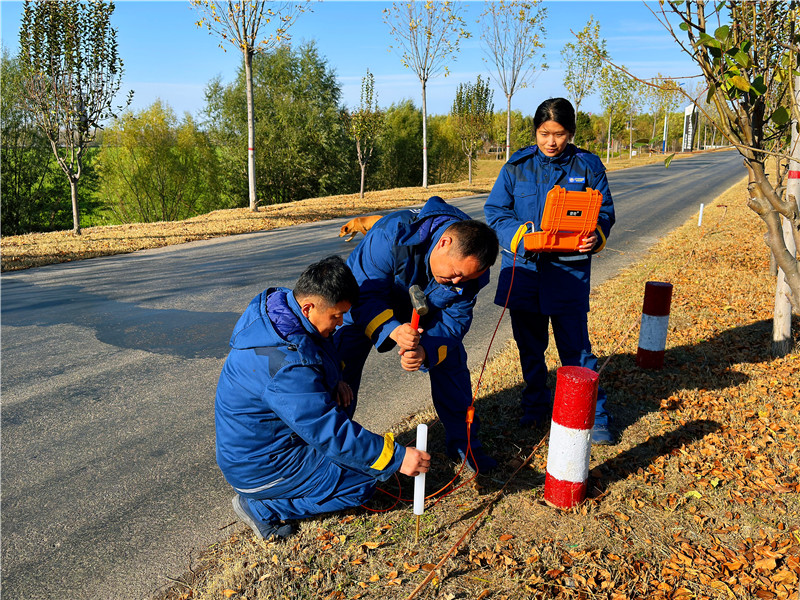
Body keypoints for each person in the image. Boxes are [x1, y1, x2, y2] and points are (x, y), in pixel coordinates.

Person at [215, 256, 431, 540]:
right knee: (363, 482)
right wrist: (397, 457)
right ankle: (262, 506)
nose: (340, 323)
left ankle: (304, 478)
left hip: (268, 444)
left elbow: (315, 351)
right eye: (336, 316)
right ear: (309, 307)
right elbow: (329, 431)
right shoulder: (284, 364)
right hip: (262, 465)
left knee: (352, 436)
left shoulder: (284, 312)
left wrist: (336, 379)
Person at [483, 97, 617, 445]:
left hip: (568, 274)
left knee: (577, 349)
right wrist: (522, 237)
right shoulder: (517, 167)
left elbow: (604, 212)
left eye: (559, 134)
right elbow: (496, 212)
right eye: (544, 134)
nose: (551, 142)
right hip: (524, 271)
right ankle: (535, 404)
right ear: (535, 132)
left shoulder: (587, 166)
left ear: (570, 133)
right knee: (530, 346)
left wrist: (596, 236)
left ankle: (594, 414)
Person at [333, 196, 500, 472]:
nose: (458, 282)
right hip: (369, 304)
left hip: (424, 313)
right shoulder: (392, 234)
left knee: (451, 358)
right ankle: (336, 449)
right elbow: (361, 294)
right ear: (444, 242)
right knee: (338, 367)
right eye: (456, 273)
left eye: (465, 279)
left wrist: (425, 351)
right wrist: (392, 329)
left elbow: (454, 322)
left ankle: (465, 444)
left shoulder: (471, 274)